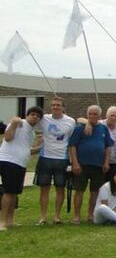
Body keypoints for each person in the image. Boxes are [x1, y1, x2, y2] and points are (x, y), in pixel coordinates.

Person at [68, 105, 114, 224]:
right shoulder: (80, 128)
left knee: (95, 192)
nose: (92, 116)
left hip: (98, 165)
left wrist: (106, 162)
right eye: (90, 114)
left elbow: (108, 146)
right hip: (82, 164)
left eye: (95, 114)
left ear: (100, 116)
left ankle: (90, 215)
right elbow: (72, 146)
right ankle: (76, 216)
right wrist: (75, 163)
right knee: (79, 190)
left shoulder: (103, 128)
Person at [0, 106, 43, 231]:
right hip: (9, 161)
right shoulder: (18, 123)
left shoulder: (32, 133)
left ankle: (10, 220)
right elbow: (8, 138)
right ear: (27, 115)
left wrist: (41, 147)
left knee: (14, 193)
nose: (34, 117)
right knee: (8, 192)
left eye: (37, 116)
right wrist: (13, 124)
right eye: (32, 114)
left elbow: (27, 150)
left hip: (21, 164)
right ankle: (2, 222)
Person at [34, 96, 75, 226]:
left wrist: (72, 160)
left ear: (63, 107)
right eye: (53, 105)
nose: (55, 107)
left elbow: (72, 141)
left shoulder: (70, 121)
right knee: (44, 189)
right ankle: (43, 217)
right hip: (45, 158)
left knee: (60, 188)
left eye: (58, 105)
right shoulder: (44, 119)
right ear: (50, 107)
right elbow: (30, 121)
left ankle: (57, 216)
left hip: (62, 159)